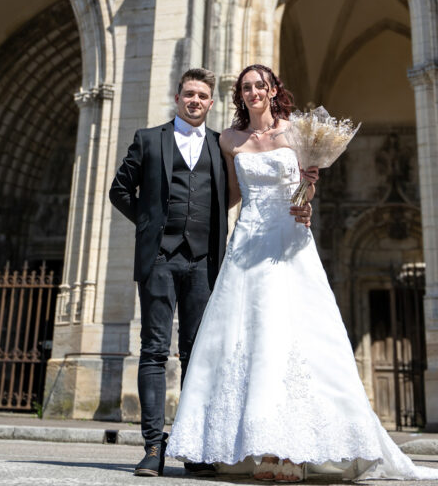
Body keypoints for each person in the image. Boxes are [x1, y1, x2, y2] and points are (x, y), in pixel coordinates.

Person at [166, 64, 438, 482]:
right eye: (245, 87)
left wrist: (308, 195)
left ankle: (294, 453)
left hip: (289, 237)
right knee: (250, 341)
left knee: (293, 338)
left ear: (272, 90)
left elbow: (307, 183)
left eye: (259, 86)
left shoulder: (295, 130)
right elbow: (230, 193)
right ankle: (263, 450)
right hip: (248, 241)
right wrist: (182, 211)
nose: (252, 93)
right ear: (239, 95)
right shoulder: (229, 139)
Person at [110, 67, 312, 478]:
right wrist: (150, 227)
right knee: (153, 351)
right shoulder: (150, 139)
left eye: (202, 95)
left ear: (212, 102)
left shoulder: (222, 145)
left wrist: (302, 198)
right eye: (189, 94)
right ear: (178, 97)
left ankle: (195, 448)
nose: (195, 101)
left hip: (205, 262)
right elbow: (119, 190)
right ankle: (153, 447)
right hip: (160, 260)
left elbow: (239, 192)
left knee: (198, 355)